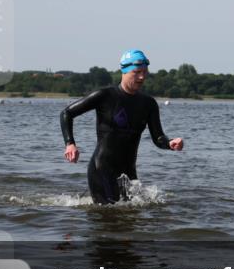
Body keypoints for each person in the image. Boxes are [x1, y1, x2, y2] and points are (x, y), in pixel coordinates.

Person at [60, 50, 183, 205]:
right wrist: (70, 144)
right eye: (137, 72)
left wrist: (170, 143)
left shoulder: (148, 104)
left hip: (129, 172)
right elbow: (67, 113)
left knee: (131, 216)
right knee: (112, 217)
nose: (142, 77)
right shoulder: (105, 96)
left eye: (145, 72)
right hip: (102, 168)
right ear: (124, 71)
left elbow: (158, 137)